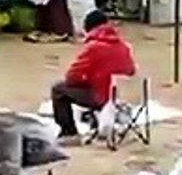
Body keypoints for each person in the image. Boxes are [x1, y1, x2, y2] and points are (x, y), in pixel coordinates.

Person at [51, 10, 135, 142]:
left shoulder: (93, 47)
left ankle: (69, 132)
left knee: (58, 89)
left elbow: (72, 76)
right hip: (122, 96)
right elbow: (131, 71)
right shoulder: (123, 47)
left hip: (102, 98)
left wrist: (84, 81)